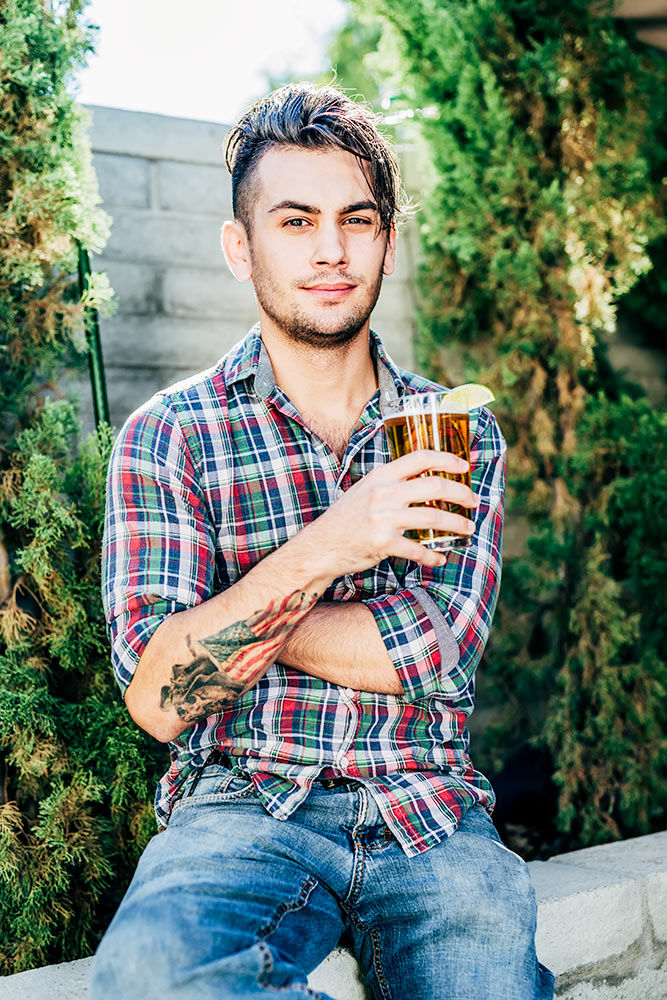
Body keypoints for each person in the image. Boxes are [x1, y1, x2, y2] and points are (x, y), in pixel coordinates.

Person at [91, 82, 554, 1000]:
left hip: (429, 817)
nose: (332, 250)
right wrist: (330, 547)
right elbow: (157, 703)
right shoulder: (168, 435)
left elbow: (433, 655)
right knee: (151, 978)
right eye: (295, 221)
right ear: (240, 246)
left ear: (386, 238)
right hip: (240, 807)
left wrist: (225, 615)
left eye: (358, 219)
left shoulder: (454, 433)